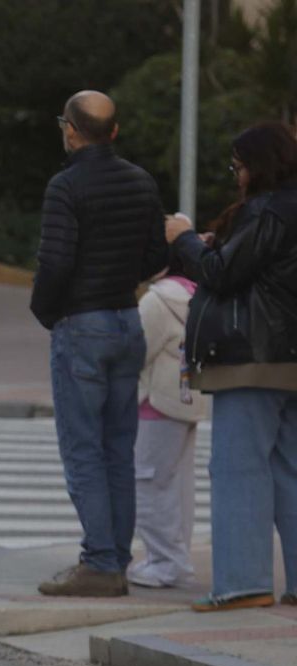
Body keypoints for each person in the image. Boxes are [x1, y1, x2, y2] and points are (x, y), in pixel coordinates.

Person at [29, 90, 169, 599]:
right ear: (113, 132)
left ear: (70, 129)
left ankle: (101, 563)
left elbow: (55, 263)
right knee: (118, 450)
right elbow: (157, 252)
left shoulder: (65, 187)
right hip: (128, 322)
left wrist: (46, 310)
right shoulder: (141, 181)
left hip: (81, 326)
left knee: (83, 450)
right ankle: (115, 559)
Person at [166, 121, 297, 611]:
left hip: (252, 359)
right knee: (289, 471)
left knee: (239, 469)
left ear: (259, 166)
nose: (236, 177)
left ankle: (242, 583)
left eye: (238, 167)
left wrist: (184, 240)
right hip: (289, 361)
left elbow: (221, 275)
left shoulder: (268, 210)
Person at [129, 261, 208, 589]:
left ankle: (166, 563)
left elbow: (136, 351)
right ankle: (174, 557)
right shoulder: (197, 293)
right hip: (189, 399)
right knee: (178, 487)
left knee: (149, 482)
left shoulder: (157, 300)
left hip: (156, 402)